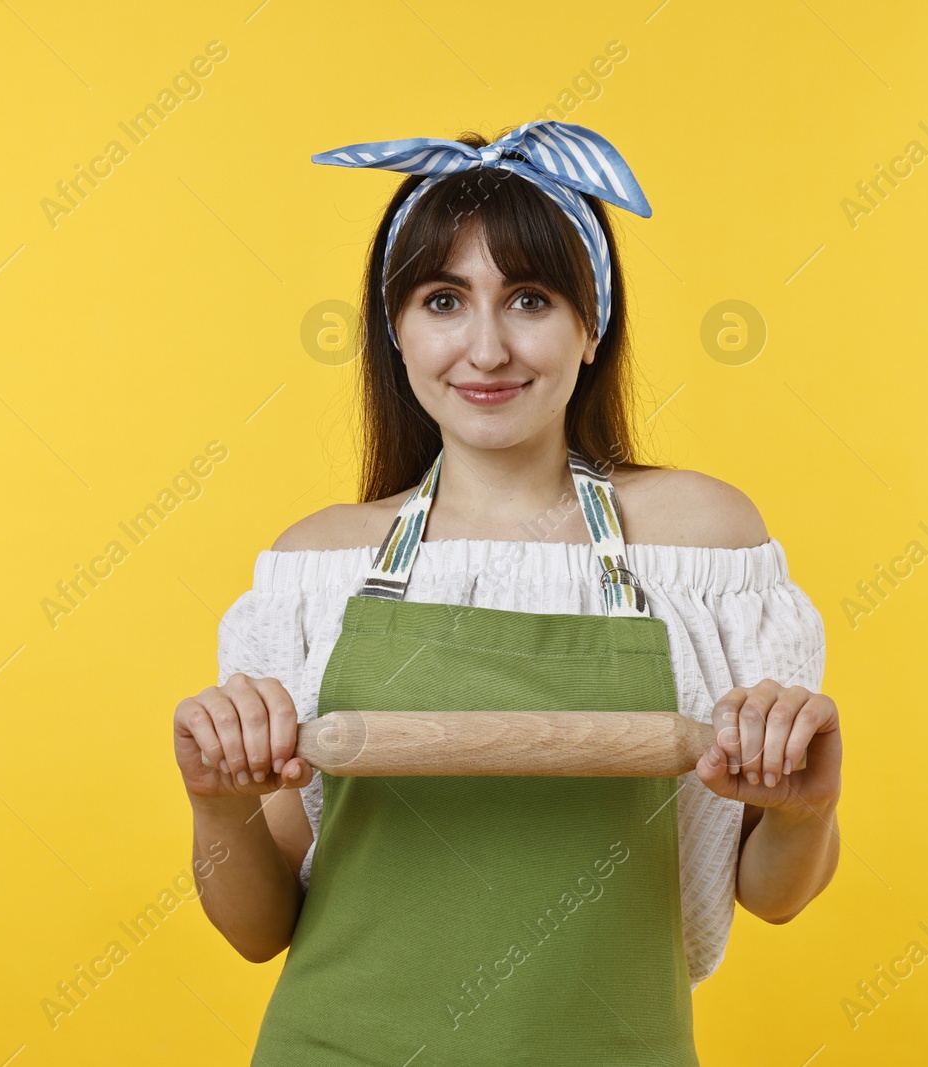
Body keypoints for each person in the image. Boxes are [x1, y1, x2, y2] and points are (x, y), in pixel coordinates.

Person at [171, 120, 842, 1065]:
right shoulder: (318, 569)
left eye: (529, 298)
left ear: (591, 324)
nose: (485, 348)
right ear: (395, 331)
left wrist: (805, 809)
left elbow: (775, 893)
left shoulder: (700, 545)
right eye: (444, 300)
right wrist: (216, 801)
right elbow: (258, 927)